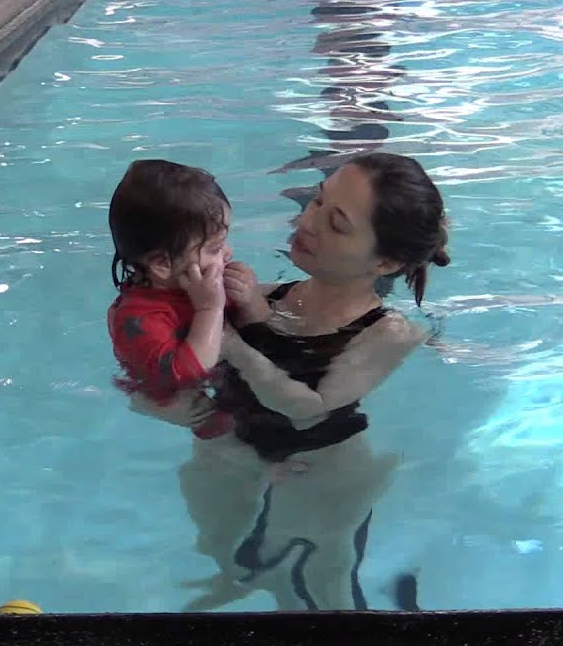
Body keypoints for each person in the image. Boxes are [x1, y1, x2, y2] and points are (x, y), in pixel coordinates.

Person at [178, 151, 450, 611]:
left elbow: (312, 406)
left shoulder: (390, 331)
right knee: (219, 540)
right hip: (239, 452)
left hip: (324, 474)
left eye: (337, 224)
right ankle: (236, 578)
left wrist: (238, 340)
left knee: (328, 583)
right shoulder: (267, 296)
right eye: (317, 202)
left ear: (384, 263)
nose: (309, 222)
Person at [106, 159, 235, 440]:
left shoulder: (191, 280)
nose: (228, 254)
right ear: (162, 264)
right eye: (215, 248)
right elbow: (188, 372)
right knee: (218, 424)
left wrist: (248, 296)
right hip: (174, 393)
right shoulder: (140, 319)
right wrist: (209, 308)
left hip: (216, 367)